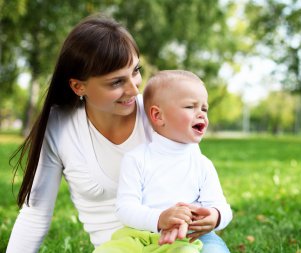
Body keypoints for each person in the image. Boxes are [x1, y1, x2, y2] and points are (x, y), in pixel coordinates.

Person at [6, 15, 230, 253]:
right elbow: (36, 214)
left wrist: (214, 216)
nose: (134, 89)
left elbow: (200, 184)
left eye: (136, 71)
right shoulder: (60, 126)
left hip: (184, 242)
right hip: (121, 246)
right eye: (116, 82)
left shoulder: (162, 115)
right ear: (78, 86)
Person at [94, 70, 232, 253]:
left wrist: (216, 215)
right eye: (190, 107)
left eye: (204, 108)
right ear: (158, 116)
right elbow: (125, 208)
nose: (201, 114)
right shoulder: (136, 159)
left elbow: (222, 205)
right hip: (139, 237)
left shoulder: (202, 164)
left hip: (187, 237)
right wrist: (159, 218)